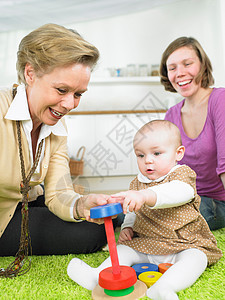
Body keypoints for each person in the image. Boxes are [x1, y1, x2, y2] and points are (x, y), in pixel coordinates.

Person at [0, 23, 122, 277]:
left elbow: (58, 192)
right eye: (62, 90)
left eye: (78, 94)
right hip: (3, 218)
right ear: (30, 73)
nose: (69, 104)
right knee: (91, 234)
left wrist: (82, 205)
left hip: (24, 203)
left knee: (104, 220)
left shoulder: (56, 124)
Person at [67, 120, 222, 300]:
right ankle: (98, 275)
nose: (148, 160)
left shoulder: (182, 175)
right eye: (140, 155)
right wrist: (127, 227)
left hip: (184, 243)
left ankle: (164, 287)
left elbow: (178, 193)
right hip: (148, 243)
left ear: (178, 153)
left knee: (196, 259)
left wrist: (145, 195)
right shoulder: (137, 183)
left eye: (157, 153)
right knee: (123, 250)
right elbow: (133, 211)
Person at [160, 36, 225, 230]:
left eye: (187, 64)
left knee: (176, 217)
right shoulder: (171, 115)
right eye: (172, 68)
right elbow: (164, 171)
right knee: (140, 210)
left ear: (203, 66)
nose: (180, 73)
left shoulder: (220, 100)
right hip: (182, 198)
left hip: (216, 203)